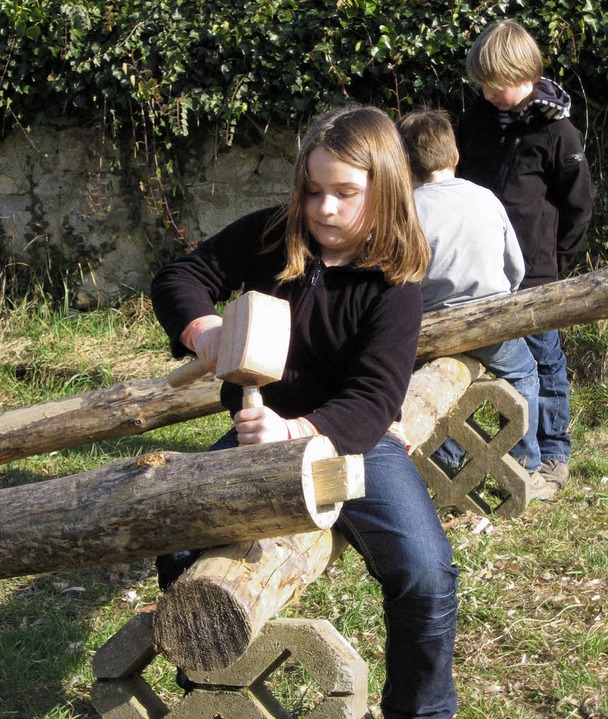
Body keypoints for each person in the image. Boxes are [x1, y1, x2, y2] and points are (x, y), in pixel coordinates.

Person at [151, 104, 459, 719]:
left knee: (426, 574)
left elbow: (373, 400)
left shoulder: (394, 285)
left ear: (386, 189)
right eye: (314, 191)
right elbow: (181, 275)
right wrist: (202, 327)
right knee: (181, 543)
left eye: (346, 193)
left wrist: (296, 430)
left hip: (353, 445)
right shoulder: (271, 234)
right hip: (253, 437)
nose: (325, 209)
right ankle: (210, 695)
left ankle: (421, 711)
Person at [457, 19, 596, 492]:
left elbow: (579, 206)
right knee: (488, 363)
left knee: (545, 363)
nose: (490, 93)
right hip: (478, 267)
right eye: (483, 85)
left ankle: (552, 454)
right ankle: (489, 452)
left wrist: (554, 262)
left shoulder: (559, 132)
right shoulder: (475, 121)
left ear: (528, 75)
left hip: (536, 274)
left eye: (499, 85)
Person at [396, 108, 549, 496]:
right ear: (455, 156)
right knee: (525, 375)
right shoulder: (485, 198)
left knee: (430, 386)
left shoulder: (406, 210)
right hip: (491, 321)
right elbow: (514, 266)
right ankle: (525, 459)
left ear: (403, 164)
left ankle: (444, 458)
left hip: (430, 328)